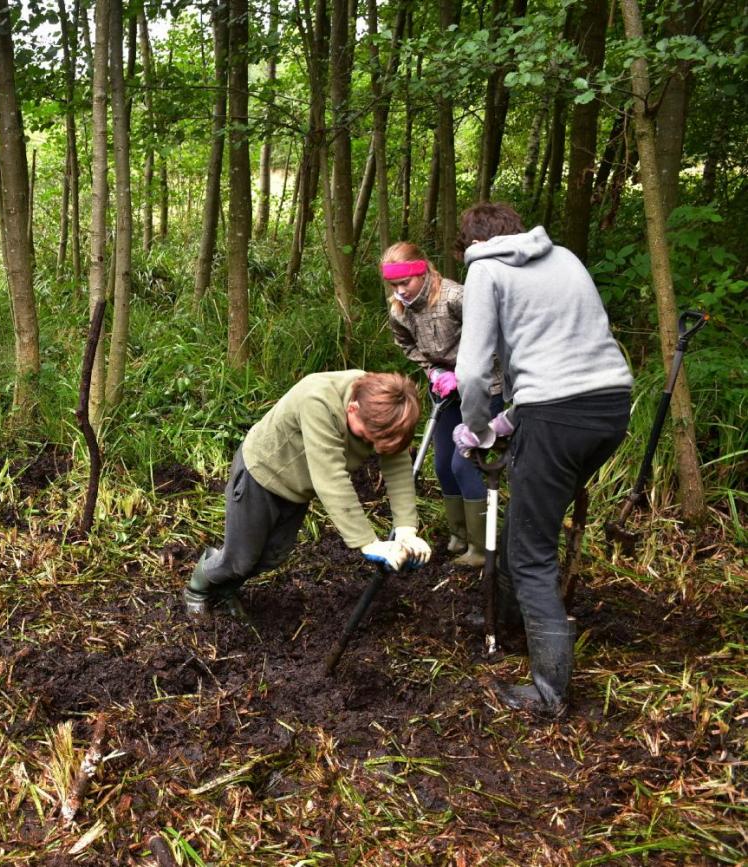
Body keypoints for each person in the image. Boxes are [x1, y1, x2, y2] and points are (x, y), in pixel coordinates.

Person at [452, 202, 632, 717]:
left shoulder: (484, 268)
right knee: (527, 523)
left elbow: (470, 372)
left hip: (557, 415)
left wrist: (480, 427)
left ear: (471, 241)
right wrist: (513, 417)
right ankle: (509, 623)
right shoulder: (565, 257)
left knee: (532, 553)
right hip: (611, 409)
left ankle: (550, 690)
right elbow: (568, 349)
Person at [183, 370, 433, 622]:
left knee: (273, 557)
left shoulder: (386, 410)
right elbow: (331, 477)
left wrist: (405, 529)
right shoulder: (319, 401)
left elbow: (397, 465)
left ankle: (225, 589)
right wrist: (367, 542)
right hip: (261, 475)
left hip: (297, 488)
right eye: (369, 439)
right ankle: (197, 588)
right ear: (353, 408)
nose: (376, 448)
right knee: (240, 560)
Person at [381, 242, 503, 567]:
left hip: (486, 386)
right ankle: (459, 535)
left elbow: (494, 337)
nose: (400, 291)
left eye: (404, 282)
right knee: (443, 464)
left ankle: (480, 549)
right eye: (394, 285)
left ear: (421, 271)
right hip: (444, 391)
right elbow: (407, 346)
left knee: (465, 464)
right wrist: (433, 370)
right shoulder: (399, 311)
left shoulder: (455, 297)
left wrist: (463, 375)